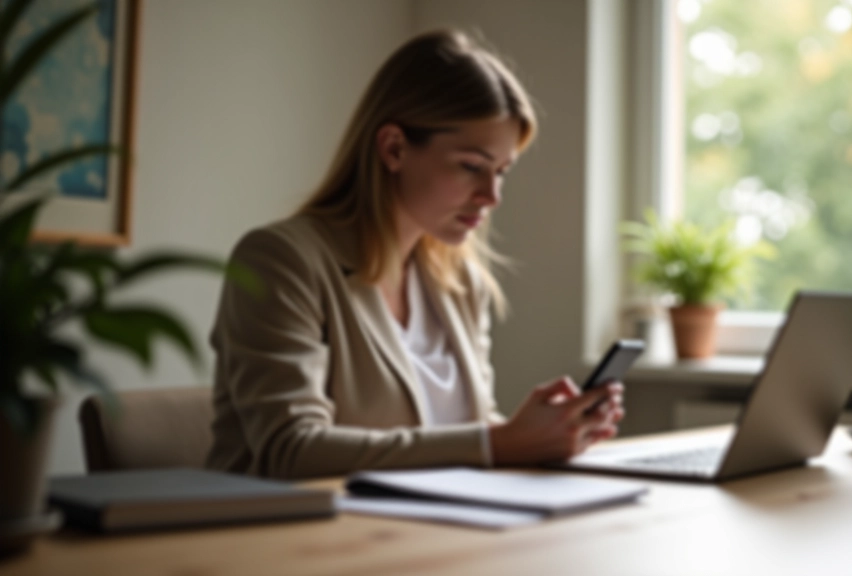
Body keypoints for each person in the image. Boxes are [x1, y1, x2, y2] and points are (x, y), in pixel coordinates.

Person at [206, 29, 624, 479]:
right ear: (394, 148)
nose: (492, 196)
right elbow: (290, 449)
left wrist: (544, 436)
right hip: (291, 536)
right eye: (471, 166)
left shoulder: (462, 282)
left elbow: (467, 435)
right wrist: (498, 442)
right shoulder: (282, 261)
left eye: (501, 172)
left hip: (427, 530)